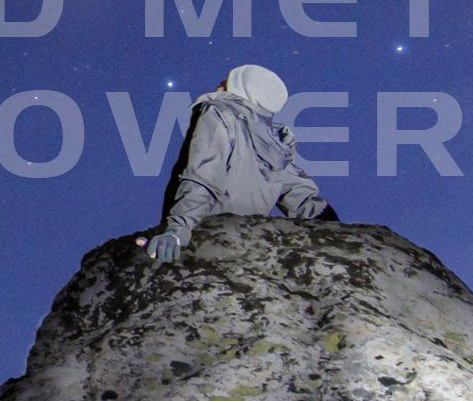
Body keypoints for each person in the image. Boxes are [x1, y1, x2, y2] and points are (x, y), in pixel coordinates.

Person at [137, 64, 335, 263]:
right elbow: (301, 197)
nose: (220, 84)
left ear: (243, 89)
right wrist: (337, 229)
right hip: (245, 238)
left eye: (227, 82)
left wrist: (177, 231)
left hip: (203, 231)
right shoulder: (274, 144)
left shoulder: (219, 113)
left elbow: (203, 176)